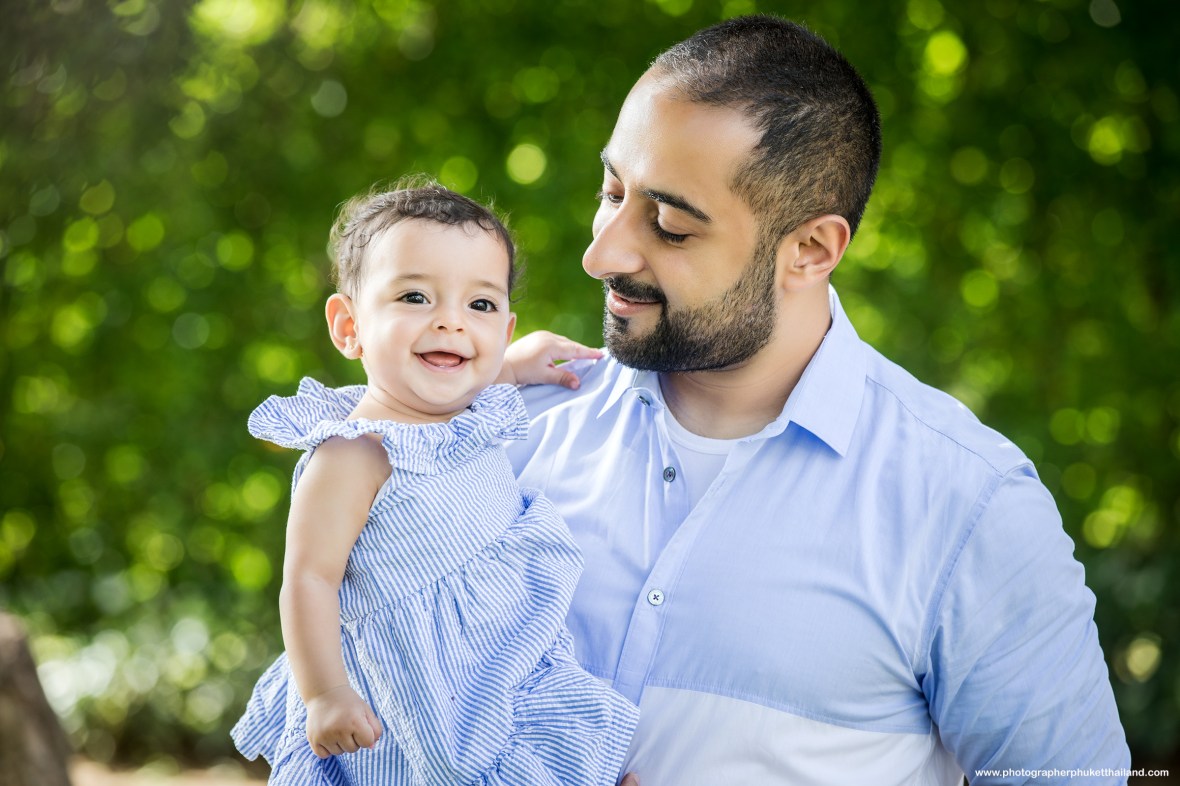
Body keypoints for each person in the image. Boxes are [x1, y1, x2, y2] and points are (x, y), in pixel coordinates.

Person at [503, 16, 1131, 786]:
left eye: (669, 227)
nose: (602, 252)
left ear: (810, 249)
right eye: (611, 191)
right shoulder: (506, 430)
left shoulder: (967, 505)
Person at [230, 178, 638, 785]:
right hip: (417, 701)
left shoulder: (471, 414)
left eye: (480, 306)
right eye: (415, 297)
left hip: (497, 672)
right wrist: (325, 694)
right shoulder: (354, 453)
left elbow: (466, 378)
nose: (451, 323)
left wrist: (513, 365)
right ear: (349, 326)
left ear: (504, 327)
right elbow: (309, 577)